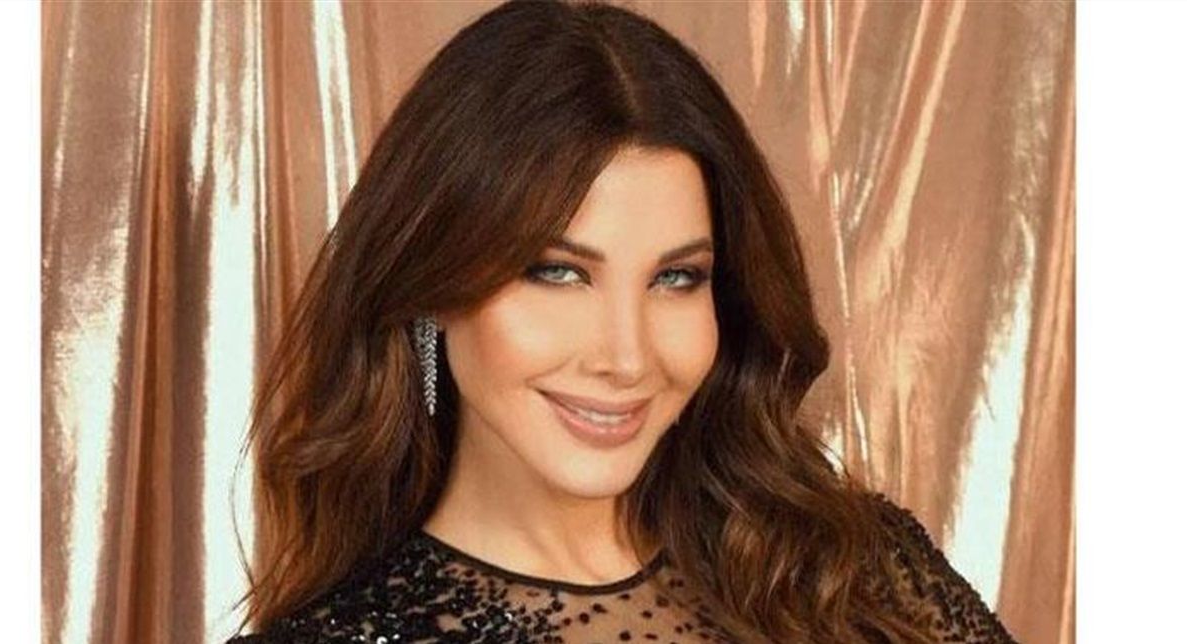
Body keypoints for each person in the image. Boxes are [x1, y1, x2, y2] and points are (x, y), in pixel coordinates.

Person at [228, 1, 1018, 642]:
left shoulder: (855, 573)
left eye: (676, 278)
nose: (627, 356)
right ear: (430, 283)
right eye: (557, 272)